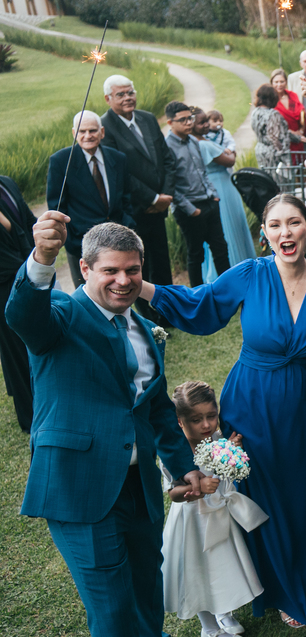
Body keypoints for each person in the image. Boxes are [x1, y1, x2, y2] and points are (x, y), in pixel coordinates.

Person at [9, 217, 203, 637]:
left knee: (145, 581)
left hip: (137, 485)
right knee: (112, 611)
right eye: (111, 271)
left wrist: (183, 465)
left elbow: (155, 408)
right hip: (79, 490)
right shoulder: (61, 316)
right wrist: (41, 259)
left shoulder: (143, 328)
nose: (123, 280)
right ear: (85, 269)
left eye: (132, 270)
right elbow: (23, 315)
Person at [140, 193, 306, 630]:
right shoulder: (251, 273)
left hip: (302, 404)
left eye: (294, 223)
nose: (285, 233)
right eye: (275, 225)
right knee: (260, 493)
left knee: (301, 490)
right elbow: (201, 304)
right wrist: (140, 285)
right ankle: (272, 585)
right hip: (250, 401)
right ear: (264, 232)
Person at [161, 381, 267, 637]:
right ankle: (209, 630)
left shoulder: (217, 439)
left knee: (222, 567)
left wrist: (231, 450)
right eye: (196, 420)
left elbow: (225, 468)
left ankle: (224, 613)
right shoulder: (176, 452)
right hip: (193, 523)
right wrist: (196, 489)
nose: (206, 424)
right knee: (198, 573)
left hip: (219, 516)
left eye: (211, 416)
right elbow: (173, 494)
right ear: (180, 422)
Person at [100, 74, 175, 326]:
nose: (127, 98)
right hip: (135, 210)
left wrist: (165, 196)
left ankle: (169, 312)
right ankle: (149, 319)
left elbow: (166, 158)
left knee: (162, 262)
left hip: (160, 205)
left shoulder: (147, 118)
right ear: (108, 98)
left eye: (130, 92)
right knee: (139, 265)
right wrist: (152, 198)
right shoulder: (105, 127)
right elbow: (121, 173)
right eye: (120, 94)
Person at [46, 110, 134, 289]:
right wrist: (72, 242)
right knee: (88, 295)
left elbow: (126, 197)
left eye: (92, 131)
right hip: (81, 245)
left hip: (119, 241)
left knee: (122, 288)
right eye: (82, 131)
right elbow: (57, 206)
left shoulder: (118, 158)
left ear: (102, 132)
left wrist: (128, 224)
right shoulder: (61, 161)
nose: (88, 136)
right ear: (74, 133)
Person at [162, 102, 230, 288]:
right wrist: (191, 209)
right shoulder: (166, 147)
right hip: (189, 209)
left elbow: (202, 172)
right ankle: (198, 295)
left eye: (189, 118)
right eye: (182, 120)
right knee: (196, 254)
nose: (188, 123)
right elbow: (169, 184)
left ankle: (229, 291)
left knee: (221, 249)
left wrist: (213, 194)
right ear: (170, 122)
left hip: (209, 202)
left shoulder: (193, 141)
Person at [190, 110, 252, 280]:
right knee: (226, 227)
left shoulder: (194, 142)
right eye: (201, 122)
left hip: (214, 185)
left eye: (206, 121)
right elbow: (230, 161)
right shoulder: (204, 145)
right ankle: (235, 268)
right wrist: (231, 153)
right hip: (220, 186)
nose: (206, 125)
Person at [0, 174, 36, 431]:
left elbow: (28, 222)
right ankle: (30, 416)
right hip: (3, 283)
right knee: (15, 350)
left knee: (34, 342)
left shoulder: (7, 183)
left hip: (25, 273)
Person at [251, 84, 290, 183]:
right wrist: (285, 159)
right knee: (278, 183)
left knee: (265, 182)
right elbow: (274, 138)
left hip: (260, 149)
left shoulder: (255, 112)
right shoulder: (273, 114)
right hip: (273, 154)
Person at [271, 68, 306, 166]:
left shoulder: (292, 95)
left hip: (298, 140)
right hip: (282, 142)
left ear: (286, 82)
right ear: (271, 83)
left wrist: (300, 131)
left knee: (300, 168)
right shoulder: (270, 100)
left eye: (282, 81)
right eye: (276, 82)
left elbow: (302, 114)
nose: (279, 84)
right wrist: (292, 133)